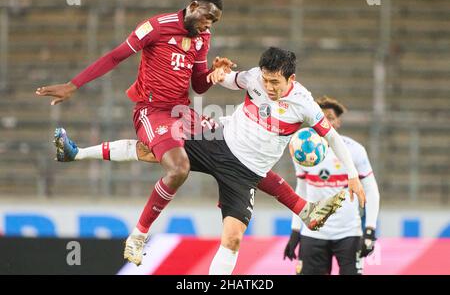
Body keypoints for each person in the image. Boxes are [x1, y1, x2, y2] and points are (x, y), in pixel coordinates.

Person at [53, 47, 365, 274]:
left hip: (246, 175)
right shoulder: (255, 77)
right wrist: (218, 73)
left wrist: (351, 174)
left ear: (291, 79)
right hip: (218, 141)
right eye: (266, 81)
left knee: (232, 238)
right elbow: (229, 79)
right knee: (156, 147)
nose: (269, 88)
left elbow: (332, 138)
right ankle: (77, 153)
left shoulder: (304, 105)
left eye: (276, 84)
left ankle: (303, 210)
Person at [35, 0, 236, 265]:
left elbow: (198, 85)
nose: (208, 25)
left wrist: (213, 75)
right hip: (151, 112)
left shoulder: (203, 37)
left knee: (231, 141)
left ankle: (76, 153)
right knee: (179, 169)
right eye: (207, 17)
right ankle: (139, 235)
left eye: (214, 22)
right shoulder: (156, 27)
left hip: (182, 112)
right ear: (193, 6)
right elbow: (116, 56)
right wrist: (73, 85)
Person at [283, 96, 380, 275]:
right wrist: (296, 230)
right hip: (313, 233)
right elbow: (301, 190)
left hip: (349, 233)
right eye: (322, 117)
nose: (326, 122)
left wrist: (370, 230)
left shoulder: (355, 150)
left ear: (338, 122)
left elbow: (371, 191)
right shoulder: (301, 149)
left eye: (331, 117)